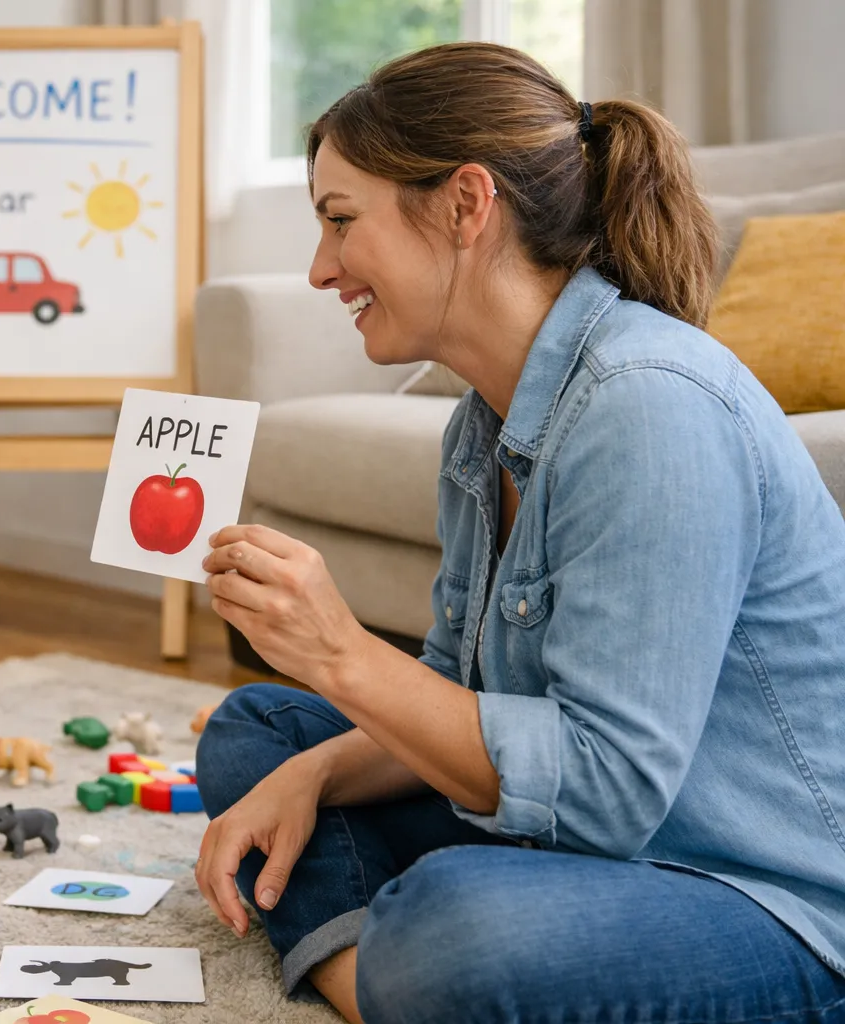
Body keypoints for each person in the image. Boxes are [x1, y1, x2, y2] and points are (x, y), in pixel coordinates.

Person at [193, 42, 845, 1023]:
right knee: (260, 738)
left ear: (465, 204)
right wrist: (313, 758)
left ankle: (377, 969)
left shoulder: (649, 406)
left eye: (339, 222)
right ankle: (383, 976)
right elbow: (462, 699)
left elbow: (608, 791)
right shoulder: (484, 424)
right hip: (584, 845)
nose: (322, 267)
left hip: (759, 891)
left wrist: (341, 652)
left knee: (456, 928)